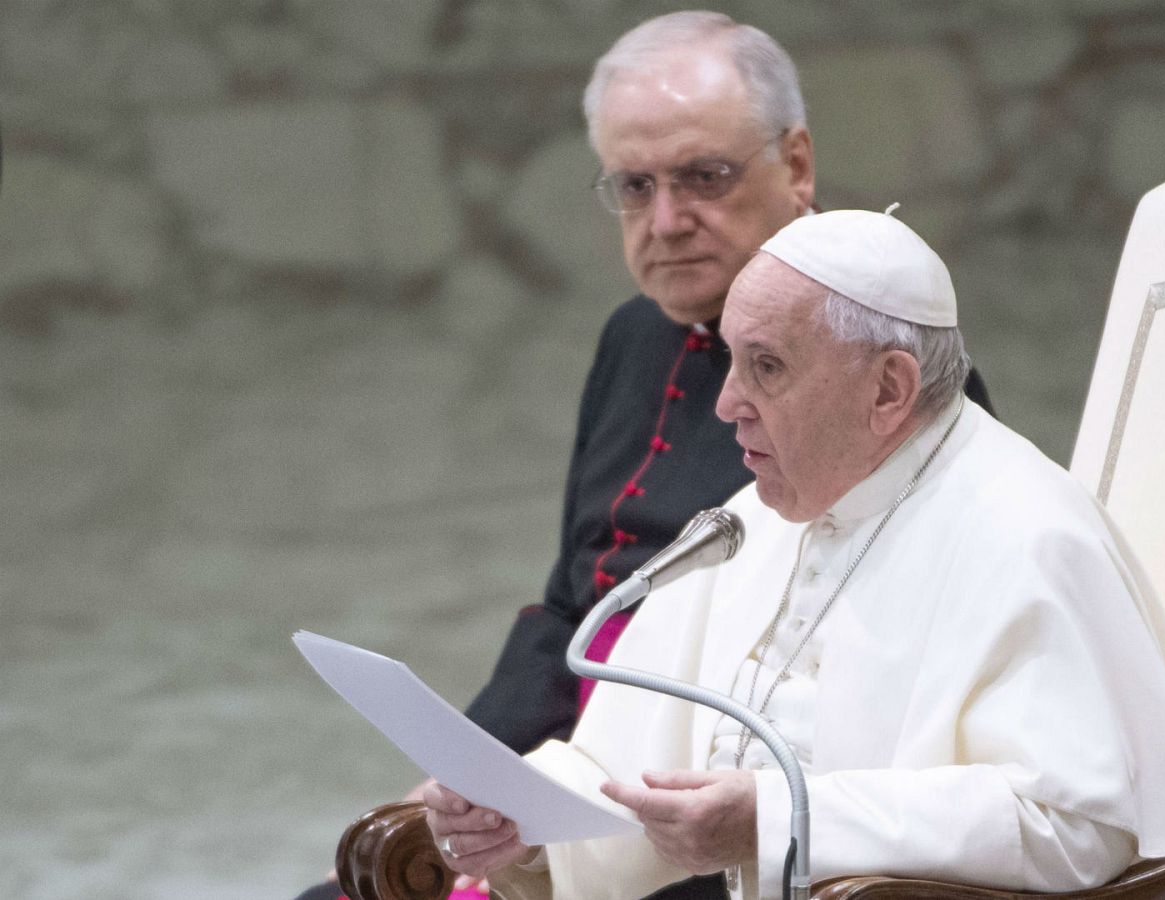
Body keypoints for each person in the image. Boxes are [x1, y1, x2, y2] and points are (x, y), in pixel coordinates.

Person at [296, 12, 991, 900]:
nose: (666, 222)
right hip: (564, 785)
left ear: (797, 165)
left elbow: (870, 694)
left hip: (709, 824)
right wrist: (456, 782)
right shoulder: (633, 337)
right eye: (634, 185)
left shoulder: (881, 382)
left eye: (705, 177)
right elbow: (570, 606)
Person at [422, 210, 1165, 900]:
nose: (726, 403)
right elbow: (626, 762)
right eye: (731, 359)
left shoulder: (1028, 535)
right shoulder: (761, 514)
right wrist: (523, 819)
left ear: (888, 390)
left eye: (766, 367)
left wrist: (778, 819)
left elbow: (1074, 827)